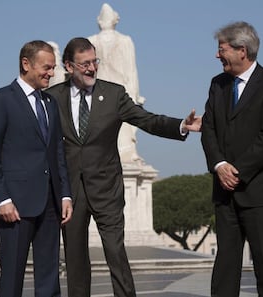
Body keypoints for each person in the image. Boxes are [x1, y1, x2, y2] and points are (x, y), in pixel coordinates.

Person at [46, 37, 201, 297]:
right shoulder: (52, 98)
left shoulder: (114, 94)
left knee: (116, 253)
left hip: (107, 189)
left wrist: (181, 126)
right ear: (69, 66)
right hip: (69, 192)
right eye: (84, 64)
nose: (92, 69)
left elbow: (146, 119)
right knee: (74, 258)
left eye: (94, 62)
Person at [0, 40, 72, 297]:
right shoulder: (0, 100)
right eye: (46, 67)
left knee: (50, 278)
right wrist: (2, 199)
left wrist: (64, 194)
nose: (51, 74)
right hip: (15, 207)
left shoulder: (50, 104)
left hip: (51, 206)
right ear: (26, 64)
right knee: (11, 278)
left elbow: (57, 154)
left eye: (53, 68)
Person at [201, 21, 263, 297]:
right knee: (225, 267)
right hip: (225, 194)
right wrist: (219, 166)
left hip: (260, 191)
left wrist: (235, 171)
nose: (217, 55)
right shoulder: (218, 84)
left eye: (221, 49)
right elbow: (209, 129)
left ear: (242, 50)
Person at [88, 3, 144, 162]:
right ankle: (125, 152)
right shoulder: (125, 40)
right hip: (118, 87)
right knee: (122, 124)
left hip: (98, 88)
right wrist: (136, 94)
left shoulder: (90, 41)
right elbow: (131, 71)